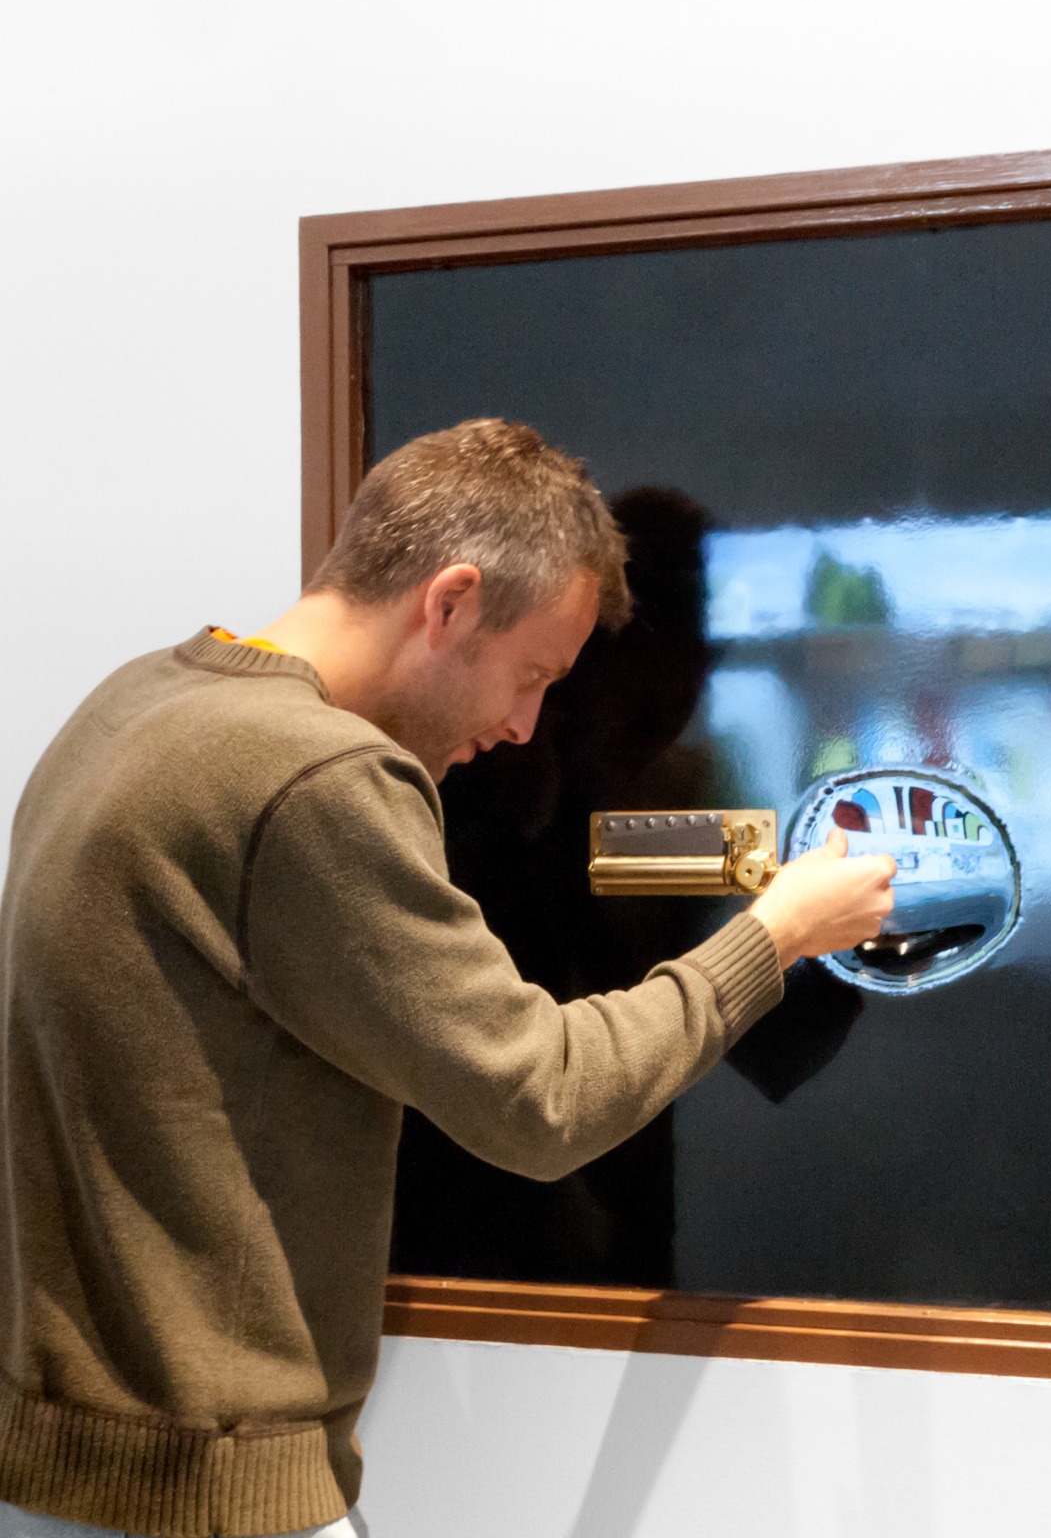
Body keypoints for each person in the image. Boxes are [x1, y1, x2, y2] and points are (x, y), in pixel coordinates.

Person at [0, 419, 896, 1538]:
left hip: (66, 1454)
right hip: (204, 1482)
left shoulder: (133, 703)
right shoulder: (317, 775)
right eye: (531, 678)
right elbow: (542, 1096)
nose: (522, 726)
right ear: (451, 600)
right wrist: (776, 932)